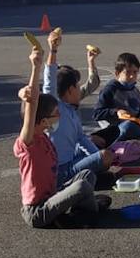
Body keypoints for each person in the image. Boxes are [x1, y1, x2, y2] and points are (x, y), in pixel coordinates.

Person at [17, 45, 106, 229]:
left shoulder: (45, 138)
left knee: (86, 176)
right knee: (82, 187)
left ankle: (82, 211)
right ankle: (86, 213)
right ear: (42, 121)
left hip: (53, 195)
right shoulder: (29, 142)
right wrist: (36, 67)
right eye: (55, 113)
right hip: (37, 211)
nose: (59, 115)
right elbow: (33, 105)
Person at [43, 30, 115, 188]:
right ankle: (76, 182)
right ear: (69, 90)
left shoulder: (71, 111)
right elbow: (49, 82)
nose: (79, 88)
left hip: (71, 159)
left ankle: (89, 177)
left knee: (100, 152)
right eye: (76, 85)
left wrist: (97, 158)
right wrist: (53, 50)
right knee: (105, 155)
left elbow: (81, 139)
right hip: (60, 171)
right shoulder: (55, 108)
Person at [94, 52, 140, 141]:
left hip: (135, 125)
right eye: (127, 72)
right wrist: (116, 112)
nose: (132, 76)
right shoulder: (110, 89)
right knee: (127, 126)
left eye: (135, 72)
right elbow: (97, 114)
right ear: (117, 73)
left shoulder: (136, 91)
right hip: (116, 129)